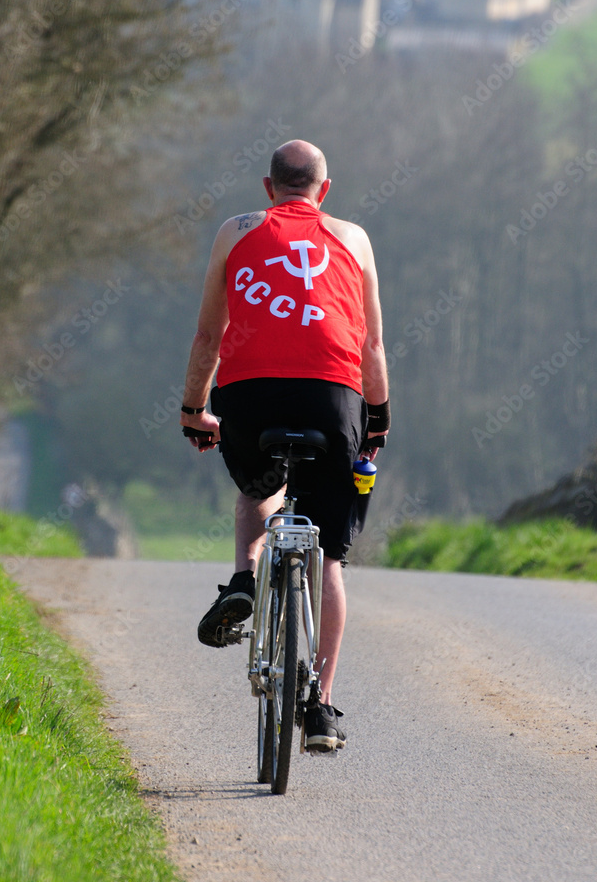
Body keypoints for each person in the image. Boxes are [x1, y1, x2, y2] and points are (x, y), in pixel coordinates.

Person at [180, 139, 389, 752]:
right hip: (334, 398)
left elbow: (207, 333)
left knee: (258, 488)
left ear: (269, 189)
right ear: (323, 191)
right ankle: (320, 706)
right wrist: (376, 422)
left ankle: (244, 577)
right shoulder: (353, 238)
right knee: (327, 556)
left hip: (249, 399)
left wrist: (196, 409)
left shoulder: (235, 231)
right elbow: (372, 349)